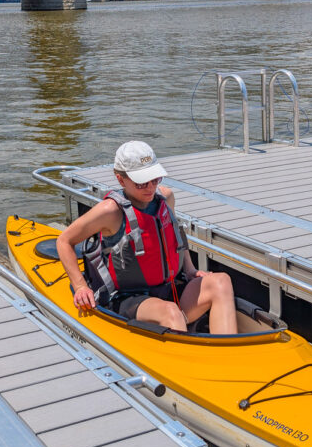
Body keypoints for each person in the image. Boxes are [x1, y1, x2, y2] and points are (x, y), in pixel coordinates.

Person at [56, 140, 237, 334]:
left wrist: (190, 269)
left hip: (169, 291)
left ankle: (228, 357)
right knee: (171, 312)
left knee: (221, 281)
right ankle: (184, 357)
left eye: (155, 179)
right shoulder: (110, 211)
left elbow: (175, 237)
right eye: (141, 182)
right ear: (120, 180)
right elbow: (64, 241)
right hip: (129, 300)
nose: (150, 187)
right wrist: (80, 286)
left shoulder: (165, 197)